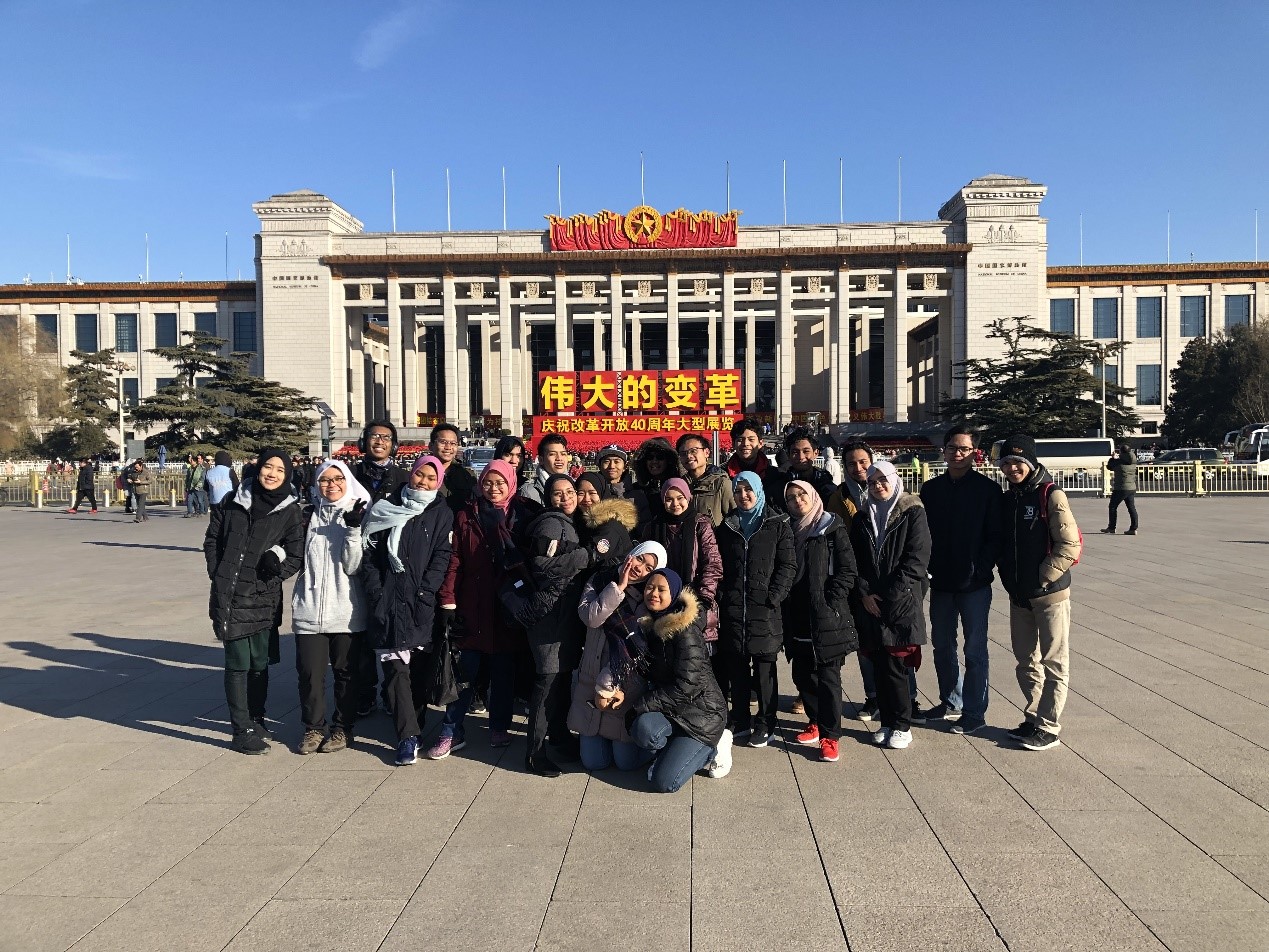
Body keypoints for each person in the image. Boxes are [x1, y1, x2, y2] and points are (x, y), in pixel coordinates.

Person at [203, 448, 306, 754]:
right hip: (231, 595)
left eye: (280, 470)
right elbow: (212, 539)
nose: (272, 474)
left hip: (263, 597)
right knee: (237, 663)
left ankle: (257, 717)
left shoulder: (290, 510)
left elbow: (295, 554)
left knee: (259, 663)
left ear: (287, 475)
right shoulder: (232, 501)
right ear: (259, 468)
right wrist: (218, 572)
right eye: (268, 467)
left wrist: (273, 574)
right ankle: (241, 729)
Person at [360, 455, 455, 766]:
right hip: (388, 600)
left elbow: (441, 555)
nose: (423, 482)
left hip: (420, 602)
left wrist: (427, 590)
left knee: (418, 672)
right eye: (419, 475)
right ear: (411, 474)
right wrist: (376, 592)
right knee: (395, 671)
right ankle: (407, 736)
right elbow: (369, 553)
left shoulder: (441, 512)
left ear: (438, 482)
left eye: (431, 478)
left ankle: (415, 724)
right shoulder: (385, 506)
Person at [437, 461, 536, 756]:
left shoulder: (523, 513)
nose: (494, 488)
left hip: (507, 605)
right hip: (474, 604)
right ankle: (451, 730)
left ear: (511, 483)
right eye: (489, 483)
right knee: (464, 673)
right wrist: (448, 599)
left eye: (500, 482)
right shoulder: (467, 514)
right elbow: (455, 560)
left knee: (503, 673)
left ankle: (499, 726)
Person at [499, 474, 594, 776]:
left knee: (560, 680)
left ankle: (560, 739)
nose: (566, 497)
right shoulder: (551, 524)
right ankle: (534, 754)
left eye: (570, 491)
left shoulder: (568, 522)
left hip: (561, 618)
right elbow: (542, 565)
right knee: (548, 683)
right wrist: (587, 556)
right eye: (557, 493)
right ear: (548, 498)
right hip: (549, 619)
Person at [996, 434, 1082, 752]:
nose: (1012, 468)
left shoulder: (1050, 494)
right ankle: (1033, 717)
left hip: (1049, 595)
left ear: (1031, 463)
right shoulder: (1009, 499)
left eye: (1018, 462)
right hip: (1019, 594)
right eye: (1006, 462)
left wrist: (1045, 577)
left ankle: (1049, 726)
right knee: (1025, 660)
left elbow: (1069, 544)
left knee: (1054, 661)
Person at [918, 425, 1002, 735]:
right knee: (942, 645)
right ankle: (951, 700)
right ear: (944, 450)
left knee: (975, 650)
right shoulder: (931, 489)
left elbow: (995, 536)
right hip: (941, 581)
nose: (957, 454)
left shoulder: (987, 490)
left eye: (964, 449)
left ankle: (975, 711)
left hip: (974, 584)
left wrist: (980, 568)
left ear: (974, 453)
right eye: (952, 447)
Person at [624, 569, 733, 792]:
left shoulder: (685, 630)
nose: (653, 593)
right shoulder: (651, 624)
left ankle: (718, 743)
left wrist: (640, 705)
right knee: (643, 730)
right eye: (649, 587)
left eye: (661, 589)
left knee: (665, 782)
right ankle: (675, 749)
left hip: (701, 715)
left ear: (673, 593)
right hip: (671, 709)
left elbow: (686, 686)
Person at [849, 459, 930, 751]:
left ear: (894, 481)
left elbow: (917, 559)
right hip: (871, 602)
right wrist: (864, 593)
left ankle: (902, 724)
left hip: (901, 600)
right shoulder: (863, 517)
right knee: (879, 665)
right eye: (872, 482)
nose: (878, 486)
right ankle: (886, 721)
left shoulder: (912, 512)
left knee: (896, 666)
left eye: (883, 480)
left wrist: (891, 596)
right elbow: (854, 560)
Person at [291, 459, 372, 755]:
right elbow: (293, 553)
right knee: (310, 674)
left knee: (346, 673)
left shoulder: (359, 512)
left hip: (346, 610)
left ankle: (342, 728)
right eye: (325, 479)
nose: (332, 485)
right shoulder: (308, 514)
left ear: (347, 481)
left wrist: (352, 529)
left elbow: (354, 567)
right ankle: (313, 727)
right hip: (310, 608)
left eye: (338, 479)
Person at [715, 471, 796, 748]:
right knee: (736, 668)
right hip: (734, 609)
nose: (743, 496)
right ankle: (740, 718)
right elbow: (719, 565)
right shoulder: (728, 526)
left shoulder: (777, 523)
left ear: (759, 491)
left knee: (764, 670)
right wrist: (724, 596)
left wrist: (774, 596)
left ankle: (766, 722)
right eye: (738, 491)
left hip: (765, 610)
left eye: (748, 490)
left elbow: (788, 565)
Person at [571, 543, 667, 772]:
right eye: (640, 559)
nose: (640, 568)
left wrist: (614, 686)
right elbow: (591, 618)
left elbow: (638, 650)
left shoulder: (647, 599)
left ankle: (661, 748)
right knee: (594, 762)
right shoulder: (600, 579)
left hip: (624, 687)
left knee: (625, 763)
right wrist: (619, 588)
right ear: (631, 554)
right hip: (591, 677)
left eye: (649, 568)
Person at [783, 480, 858, 763]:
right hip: (797, 613)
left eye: (802, 494)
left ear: (813, 496)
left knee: (828, 677)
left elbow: (847, 570)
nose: (797, 500)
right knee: (802, 673)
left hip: (825, 613)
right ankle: (814, 720)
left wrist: (831, 600)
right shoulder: (787, 529)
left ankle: (830, 735)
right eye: (791, 497)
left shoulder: (831, 527)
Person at [349, 420, 411, 717]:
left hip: (388, 561)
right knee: (360, 630)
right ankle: (364, 692)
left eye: (386, 437)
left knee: (388, 628)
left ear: (394, 445)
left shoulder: (403, 478)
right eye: (374, 436)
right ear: (364, 442)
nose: (380, 441)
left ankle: (390, 692)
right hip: (354, 558)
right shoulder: (349, 475)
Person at [826, 440, 887, 721]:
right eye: (851, 463)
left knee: (896, 643)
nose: (858, 468)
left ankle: (906, 698)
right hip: (856, 578)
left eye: (863, 462)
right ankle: (873, 696)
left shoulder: (889, 490)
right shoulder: (838, 497)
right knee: (865, 642)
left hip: (888, 579)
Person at [648, 478, 723, 676]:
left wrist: (703, 600)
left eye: (680, 498)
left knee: (698, 667)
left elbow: (713, 565)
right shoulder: (655, 526)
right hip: (664, 604)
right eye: (669, 499)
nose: (675, 504)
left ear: (688, 497)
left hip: (696, 602)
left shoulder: (700, 524)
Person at [675, 433, 735, 528]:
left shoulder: (721, 483)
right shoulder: (679, 486)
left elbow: (734, 519)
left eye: (693, 451)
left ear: (706, 452)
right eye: (683, 453)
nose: (688, 456)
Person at [725, 417, 785, 512]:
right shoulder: (724, 476)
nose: (745, 444)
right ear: (733, 444)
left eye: (751, 439)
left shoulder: (775, 476)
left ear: (760, 443)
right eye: (740, 439)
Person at [770, 427, 837, 504]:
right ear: (788, 455)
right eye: (795, 452)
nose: (801, 457)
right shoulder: (778, 489)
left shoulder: (828, 487)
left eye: (806, 451)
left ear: (815, 453)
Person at [631, 437, 682, 528]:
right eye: (650, 457)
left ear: (668, 460)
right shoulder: (636, 488)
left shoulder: (678, 487)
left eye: (660, 457)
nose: (654, 461)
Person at [431, 422, 478, 514]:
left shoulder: (467, 475)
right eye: (443, 442)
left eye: (453, 443)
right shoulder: (421, 474)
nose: (448, 447)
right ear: (431, 445)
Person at [519, 433, 570, 506]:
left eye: (563, 454)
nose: (559, 458)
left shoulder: (574, 487)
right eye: (552, 454)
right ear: (541, 460)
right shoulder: (528, 493)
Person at [1103, 442, 1139, 536]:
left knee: (1112, 507)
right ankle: (1133, 528)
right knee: (1131, 508)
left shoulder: (1120, 462)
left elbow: (1109, 466)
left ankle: (1111, 527)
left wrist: (1113, 458)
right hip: (1131, 488)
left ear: (1122, 452)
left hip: (1121, 488)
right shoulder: (1133, 461)